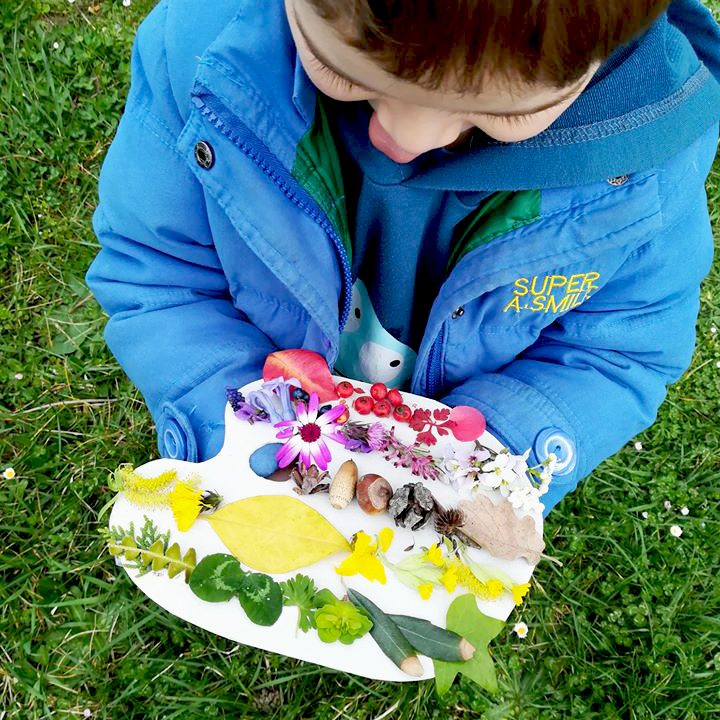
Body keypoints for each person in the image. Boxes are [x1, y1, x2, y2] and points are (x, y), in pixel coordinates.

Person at [86, 0, 720, 515]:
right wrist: (239, 428)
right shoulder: (202, 55)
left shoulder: (638, 171)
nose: (402, 140)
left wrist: (487, 465)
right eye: (348, 72)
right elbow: (160, 273)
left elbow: (614, 352)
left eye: (497, 113)